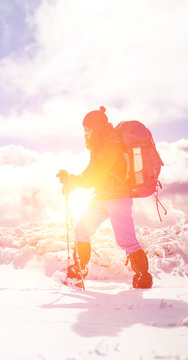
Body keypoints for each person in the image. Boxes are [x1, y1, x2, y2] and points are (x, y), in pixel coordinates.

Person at [57, 106, 153, 289]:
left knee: (126, 241)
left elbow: (97, 175)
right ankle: (78, 270)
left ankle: (143, 277)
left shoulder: (111, 145)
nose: (86, 132)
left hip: (117, 196)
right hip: (102, 196)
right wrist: (70, 180)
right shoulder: (99, 145)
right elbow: (90, 172)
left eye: (88, 128)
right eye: (85, 129)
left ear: (97, 127)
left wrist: (73, 181)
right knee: (82, 230)